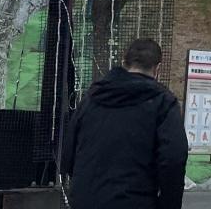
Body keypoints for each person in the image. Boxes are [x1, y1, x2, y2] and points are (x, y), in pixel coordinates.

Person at [62, 37, 188, 209]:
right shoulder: (163, 102)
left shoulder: (92, 97)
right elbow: (173, 159)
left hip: (85, 199)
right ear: (157, 69)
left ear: (124, 63)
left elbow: (68, 153)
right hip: (135, 200)